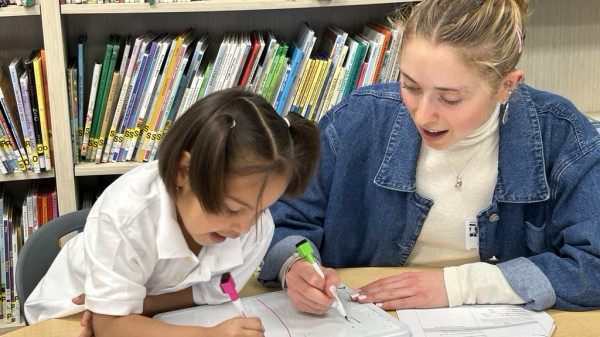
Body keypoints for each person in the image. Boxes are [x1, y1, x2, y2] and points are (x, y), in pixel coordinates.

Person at [258, 0, 600, 315]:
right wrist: (294, 266)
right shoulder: (356, 120)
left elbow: (592, 266)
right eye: (410, 86)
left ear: (506, 85)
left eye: (449, 99)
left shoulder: (561, 134)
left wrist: (459, 286)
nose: (423, 115)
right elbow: (280, 220)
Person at [24, 87, 320, 337]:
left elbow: (210, 292)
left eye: (260, 209)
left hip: (146, 316)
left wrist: (141, 305)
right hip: (69, 317)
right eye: (231, 208)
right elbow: (106, 325)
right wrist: (210, 335)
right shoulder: (128, 214)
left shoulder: (257, 229)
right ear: (183, 172)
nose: (243, 227)